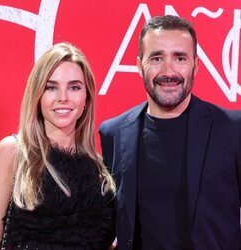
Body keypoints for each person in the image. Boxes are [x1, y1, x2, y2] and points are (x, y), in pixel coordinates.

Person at [99, 15, 241, 249]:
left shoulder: (232, 129)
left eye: (180, 58)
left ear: (195, 66)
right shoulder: (113, 133)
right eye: (156, 58)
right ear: (138, 65)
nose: (169, 71)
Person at [0, 42, 116, 250]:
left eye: (74, 87)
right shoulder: (13, 152)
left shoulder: (99, 170)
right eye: (51, 87)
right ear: (38, 95)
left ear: (87, 97)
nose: (63, 98)